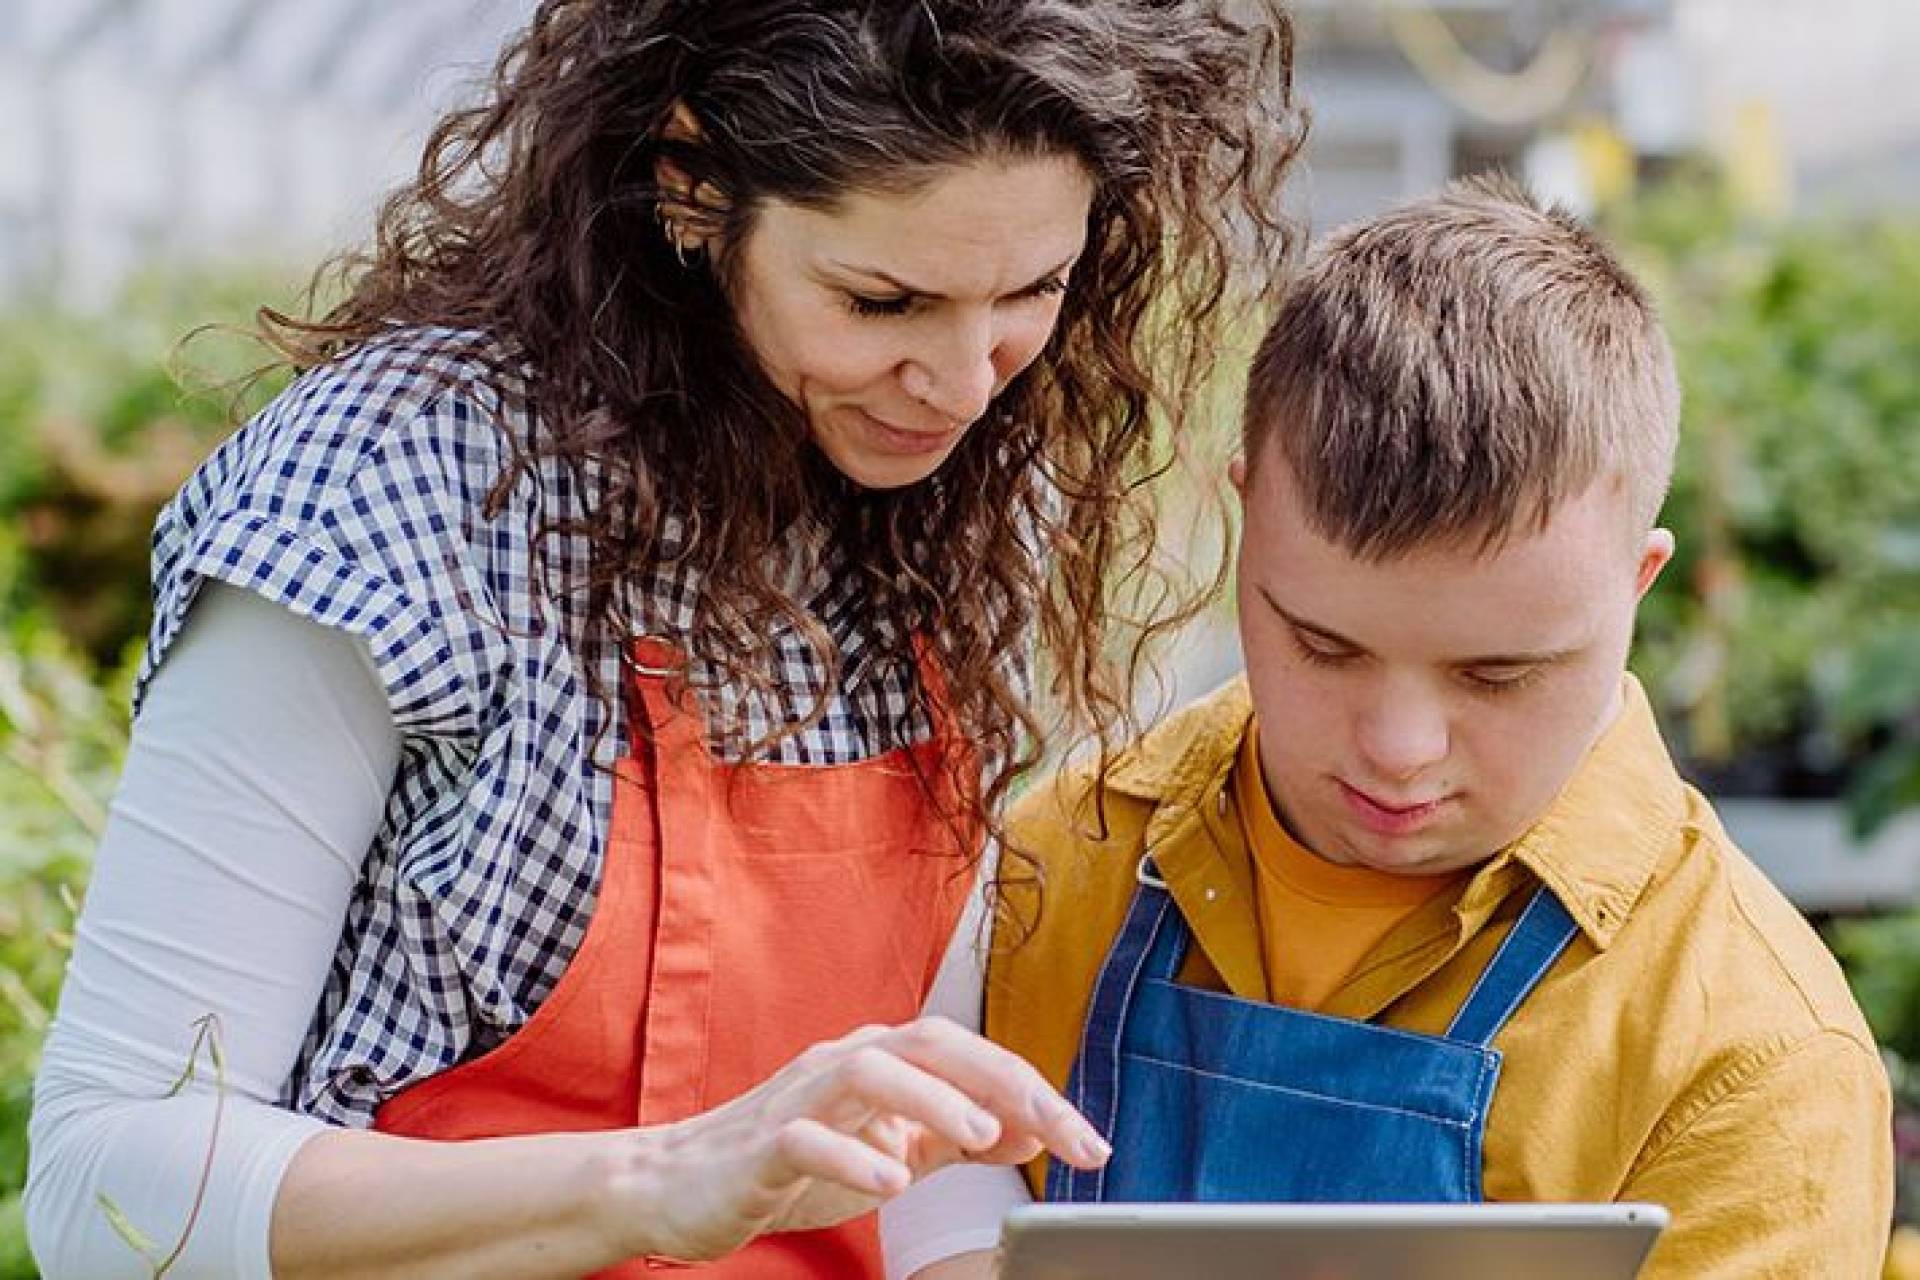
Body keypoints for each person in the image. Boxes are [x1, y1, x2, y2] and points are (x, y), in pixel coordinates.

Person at [24, 2, 1306, 1276]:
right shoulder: (398, 489)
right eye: (882, 300)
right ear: (692, 187)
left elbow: (920, 1117)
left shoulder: (962, 510)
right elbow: (109, 1183)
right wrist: (664, 1178)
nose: (968, 380)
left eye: (1033, 289)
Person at [888, 176, 1894, 1279]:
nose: (1399, 747)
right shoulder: (1064, 856)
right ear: (1247, 516)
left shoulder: (1749, 1057)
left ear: (1638, 583)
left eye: (1498, 673)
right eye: (1324, 646)